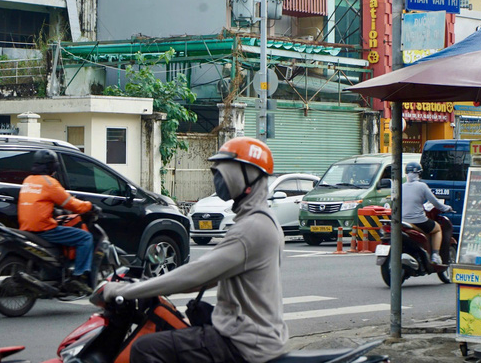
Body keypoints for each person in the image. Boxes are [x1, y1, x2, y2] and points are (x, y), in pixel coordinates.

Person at [103, 136, 288, 363]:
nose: (218, 178)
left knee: (144, 348)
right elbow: (206, 277)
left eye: (224, 172)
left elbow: (195, 274)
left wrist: (125, 291)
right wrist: (148, 286)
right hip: (250, 336)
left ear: (247, 175)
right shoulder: (260, 220)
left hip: (243, 343)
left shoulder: (252, 227)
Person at [18, 149, 95, 294]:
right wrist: (89, 206)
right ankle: (78, 277)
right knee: (85, 237)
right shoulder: (49, 183)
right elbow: (71, 204)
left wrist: (54, 211)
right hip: (44, 229)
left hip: (25, 228)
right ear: (51, 167)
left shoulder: (28, 180)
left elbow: (38, 203)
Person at [402, 161, 452, 265]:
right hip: (418, 220)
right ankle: (435, 255)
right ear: (419, 173)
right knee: (437, 229)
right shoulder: (422, 186)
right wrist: (446, 208)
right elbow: (436, 203)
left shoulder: (401, 186)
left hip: (402, 220)